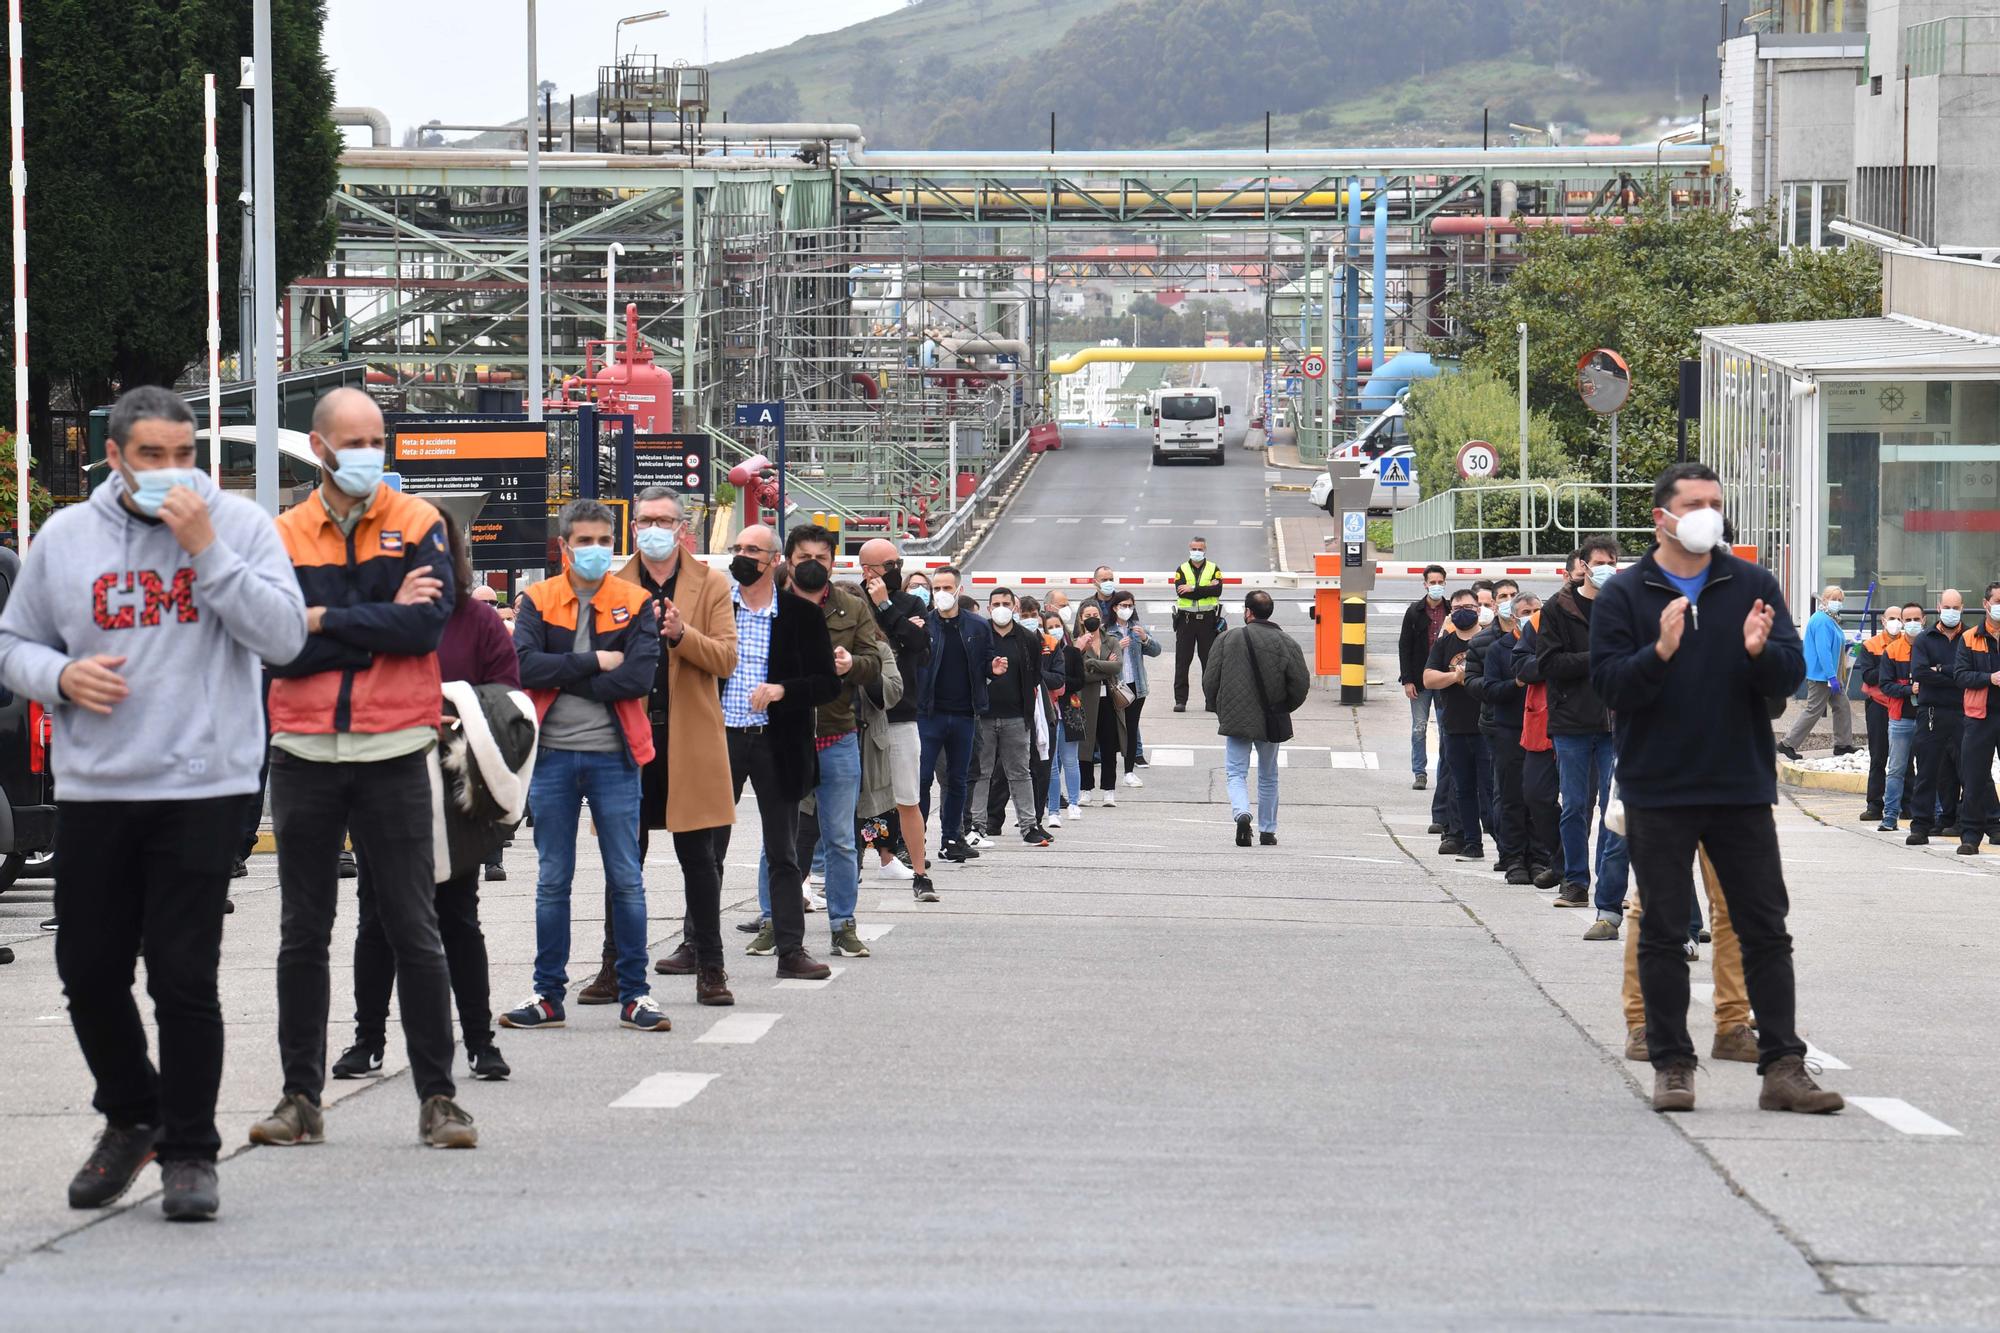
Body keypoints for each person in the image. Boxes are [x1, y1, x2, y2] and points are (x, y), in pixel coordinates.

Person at [0, 387, 307, 1220]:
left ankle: (190, 1150)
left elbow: (283, 637)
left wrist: (206, 550)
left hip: (204, 785)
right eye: (152, 457)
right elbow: (11, 642)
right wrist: (58, 676)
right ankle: (131, 1112)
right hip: (99, 785)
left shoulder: (236, 526)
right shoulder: (66, 539)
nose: (172, 473)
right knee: (88, 970)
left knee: (183, 974)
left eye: (184, 455)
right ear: (114, 457)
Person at [255, 386, 476, 1151]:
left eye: (377, 439)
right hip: (305, 751)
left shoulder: (418, 523)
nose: (368, 455)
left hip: (393, 750)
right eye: (352, 442)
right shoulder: (280, 533)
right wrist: (365, 620)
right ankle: (299, 1097)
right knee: (301, 933)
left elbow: (424, 628)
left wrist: (322, 619)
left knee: (415, 927)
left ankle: (439, 1098)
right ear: (318, 448)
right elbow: (277, 641)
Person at [1591, 460, 1840, 1116]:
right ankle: (1673, 1064)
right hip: (1659, 788)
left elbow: (1785, 682)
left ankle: (1782, 1065)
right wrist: (1661, 651)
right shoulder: (1626, 593)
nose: (1709, 513)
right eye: (1696, 502)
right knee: (1666, 929)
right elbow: (1612, 686)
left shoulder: (1750, 583)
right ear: (1662, 516)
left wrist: (1761, 650)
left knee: (1764, 927)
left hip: (1740, 786)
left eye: (1715, 502)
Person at [332, 512, 518, 1082]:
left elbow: (508, 699)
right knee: (377, 917)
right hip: (381, 777)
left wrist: (453, 708)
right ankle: (368, 1041)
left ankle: (481, 1043)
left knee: (459, 916)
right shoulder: (377, 616)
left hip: (456, 785)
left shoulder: (477, 620)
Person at [498, 501, 666, 1034]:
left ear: (614, 543)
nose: (593, 550)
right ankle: (548, 995)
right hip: (550, 756)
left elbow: (639, 678)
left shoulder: (635, 601)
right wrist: (595, 661)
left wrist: (562, 675)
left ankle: (635, 995)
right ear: (564, 546)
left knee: (626, 879)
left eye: (602, 540)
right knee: (552, 879)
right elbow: (524, 666)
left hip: (616, 758)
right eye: (583, 541)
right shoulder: (540, 598)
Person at [609, 485, 740, 1006]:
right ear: (633, 525)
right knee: (625, 858)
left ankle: (711, 966)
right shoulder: (615, 583)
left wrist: (684, 635)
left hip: (689, 736)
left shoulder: (709, 583)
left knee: (698, 859)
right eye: (646, 521)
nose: (654, 530)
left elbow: (727, 658)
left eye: (665, 521)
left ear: (682, 527)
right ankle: (612, 968)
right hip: (632, 737)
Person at [746, 524, 885, 960]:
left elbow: (874, 661)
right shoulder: (766, 606)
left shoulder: (851, 606)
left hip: (837, 734)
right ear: (787, 559)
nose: (812, 565)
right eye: (803, 557)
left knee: (841, 838)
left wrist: (851, 665)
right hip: (781, 736)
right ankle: (772, 921)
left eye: (821, 558)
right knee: (778, 837)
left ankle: (843, 926)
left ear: (833, 562)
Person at [712, 525, 838, 977]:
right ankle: (696, 942)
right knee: (708, 848)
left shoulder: (801, 616)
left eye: (752, 550)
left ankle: (791, 950)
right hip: (720, 739)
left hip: (777, 743)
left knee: (783, 851)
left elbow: (827, 683)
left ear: (774, 560)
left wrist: (783, 689)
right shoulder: (717, 609)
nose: (742, 556)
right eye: (738, 548)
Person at [1537, 534, 1629, 926]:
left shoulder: (1624, 607)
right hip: (1571, 722)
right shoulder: (1558, 609)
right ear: (1584, 566)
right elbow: (1549, 664)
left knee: (1614, 812)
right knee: (1574, 805)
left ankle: (1610, 888)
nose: (1607, 567)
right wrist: (1598, 659)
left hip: (1614, 723)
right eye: (1600, 561)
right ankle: (1575, 880)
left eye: (1613, 561)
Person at [1620, 846, 1760, 1065]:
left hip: (1727, 812)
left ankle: (1732, 1025)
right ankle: (1642, 1025)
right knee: (1653, 895)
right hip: (1664, 812)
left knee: (1733, 898)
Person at [858, 538, 936, 901]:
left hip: (902, 714)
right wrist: (901, 631)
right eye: (888, 564)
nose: (895, 569)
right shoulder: (853, 601)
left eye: (896, 563)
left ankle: (920, 871)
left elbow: (920, 645)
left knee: (908, 797)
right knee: (864, 799)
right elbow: (872, 645)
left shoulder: (909, 602)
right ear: (868, 568)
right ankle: (866, 861)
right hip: (863, 713)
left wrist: (887, 609)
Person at [1204, 590, 1310, 845]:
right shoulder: (1287, 643)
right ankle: (1267, 830)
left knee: (1236, 772)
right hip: (1271, 717)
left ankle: (1242, 812)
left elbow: (1210, 679)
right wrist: (1284, 707)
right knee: (1268, 774)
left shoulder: (1227, 639)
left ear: (1248, 612)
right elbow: (1301, 684)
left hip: (1236, 718)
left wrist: (1219, 708)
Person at [917, 565, 991, 864]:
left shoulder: (977, 626)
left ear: (959, 591)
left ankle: (951, 838)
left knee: (958, 780)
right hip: (928, 714)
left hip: (964, 715)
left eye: (948, 588)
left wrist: (993, 671)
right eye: (937, 588)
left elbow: (986, 664)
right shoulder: (923, 625)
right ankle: (913, 840)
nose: (942, 594)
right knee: (921, 780)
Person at [969, 586, 1051, 846]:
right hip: (983, 716)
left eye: (1007, 603)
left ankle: (1029, 826)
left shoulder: (1027, 638)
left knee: (1020, 772)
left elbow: (1036, 674)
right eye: (997, 604)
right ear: (988, 608)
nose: (1001, 608)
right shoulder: (979, 635)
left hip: (1016, 717)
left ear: (1014, 607)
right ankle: (976, 826)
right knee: (980, 772)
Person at [1471, 586, 1539, 884]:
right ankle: (1513, 858)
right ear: (1514, 616)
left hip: (1542, 731)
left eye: (1537, 613)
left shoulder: (1548, 646)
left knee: (1540, 797)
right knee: (1511, 797)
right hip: (1508, 731)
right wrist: (1518, 683)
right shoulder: (1498, 650)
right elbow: (1490, 690)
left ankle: (1539, 858)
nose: (1532, 618)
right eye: (1526, 613)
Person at [1423, 590, 1488, 864]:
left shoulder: (1489, 641)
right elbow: (1428, 678)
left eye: (1470, 606)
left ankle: (1505, 841)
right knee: (1462, 787)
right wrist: (1455, 676)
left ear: (1479, 609)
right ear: (1451, 612)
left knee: (1489, 788)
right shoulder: (1444, 644)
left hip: (1486, 726)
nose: (1464, 611)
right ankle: (1470, 840)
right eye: (1459, 606)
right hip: (1455, 725)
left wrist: (1466, 679)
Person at [1907, 589, 1966, 845]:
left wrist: (1941, 670)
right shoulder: (1925, 638)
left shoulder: (1971, 637)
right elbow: (1920, 673)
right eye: (1947, 606)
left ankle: (1963, 821)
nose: (1951, 611)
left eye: (1956, 606)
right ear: (1938, 607)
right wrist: (1956, 676)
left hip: (1965, 714)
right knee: (1928, 772)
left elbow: (1970, 673)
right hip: (1931, 713)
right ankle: (1921, 825)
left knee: (1969, 773)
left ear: (1962, 608)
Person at [1514, 596, 1563, 889]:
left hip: (1590, 722)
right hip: (1542, 722)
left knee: (1580, 805)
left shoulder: (1611, 611)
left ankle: (1572, 870)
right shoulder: (1539, 622)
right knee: (1536, 795)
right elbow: (1521, 667)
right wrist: (1557, 663)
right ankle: (1563, 860)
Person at [1777, 585, 1854, 759]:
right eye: (1834, 599)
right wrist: (1831, 676)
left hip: (1831, 674)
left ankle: (1843, 744)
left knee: (1842, 706)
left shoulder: (1830, 619)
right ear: (1825, 599)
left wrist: (1848, 644)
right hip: (1823, 676)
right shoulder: (1822, 620)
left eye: (1840, 600)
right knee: (1814, 710)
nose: (1837, 603)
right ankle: (1787, 744)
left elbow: (1834, 644)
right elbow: (1823, 650)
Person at [1864, 602, 1922, 832]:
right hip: (1882, 707)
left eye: (1907, 619)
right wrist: (1901, 679)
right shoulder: (1875, 646)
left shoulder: (1923, 646)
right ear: (1883, 621)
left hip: (1918, 711)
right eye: (1896, 618)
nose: (1903, 623)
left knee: (1917, 765)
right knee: (1881, 757)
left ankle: (1910, 805)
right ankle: (1877, 806)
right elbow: (1871, 677)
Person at [1398, 564, 1452, 815]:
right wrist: (1408, 680)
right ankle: (1419, 773)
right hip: (1420, 680)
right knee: (1419, 728)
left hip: (1443, 678)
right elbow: (1404, 647)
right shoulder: (1414, 611)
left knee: (1445, 728)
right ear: (1425, 584)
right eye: (1433, 582)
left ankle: (1445, 772)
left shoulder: (1452, 610)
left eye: (1440, 581)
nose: (1437, 585)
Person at [1952, 582, 2000, 856]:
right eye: (1997, 600)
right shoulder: (1969, 638)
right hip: (1979, 717)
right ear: (1985, 604)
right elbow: (1960, 676)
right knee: (1974, 778)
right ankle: (1970, 836)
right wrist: (1989, 679)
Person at [1107, 589, 1163, 787]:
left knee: (1131, 728)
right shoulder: (1108, 630)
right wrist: (1116, 647)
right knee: (1112, 729)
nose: (1127, 609)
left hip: (1136, 686)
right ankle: (1109, 771)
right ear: (1115, 608)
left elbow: (1156, 651)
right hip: (1115, 686)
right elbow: (1100, 656)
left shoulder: (1137, 628)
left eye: (1130, 606)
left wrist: (1146, 638)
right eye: (1123, 606)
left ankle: (1129, 771)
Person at [1075, 602, 1127, 805]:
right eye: (1088, 614)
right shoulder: (1076, 643)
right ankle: (1085, 789)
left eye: (1095, 614)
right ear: (1081, 619)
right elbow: (1080, 674)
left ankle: (1109, 790)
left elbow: (1117, 666)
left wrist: (1092, 664)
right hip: (1085, 699)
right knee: (1085, 746)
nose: (1092, 618)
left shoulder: (1111, 640)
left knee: (1108, 745)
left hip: (1109, 701)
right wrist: (1102, 668)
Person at [1170, 536, 1224, 712]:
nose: (1196, 552)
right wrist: (1205, 589)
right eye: (1194, 549)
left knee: (1209, 663)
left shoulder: (1213, 568)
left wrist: (1193, 589)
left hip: (1207, 621)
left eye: (1200, 549)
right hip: (1186, 621)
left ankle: (1211, 701)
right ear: (1189, 548)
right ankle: (1180, 700)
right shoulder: (1182, 569)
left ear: (1205, 550)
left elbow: (1218, 590)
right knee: (1182, 662)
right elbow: (1181, 593)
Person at [1042, 610, 1085, 827]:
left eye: (1057, 625)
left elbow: (1079, 681)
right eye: (1049, 627)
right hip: (1047, 710)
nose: (1054, 630)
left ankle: (1075, 803)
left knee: (1070, 759)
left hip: (1069, 708)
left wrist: (1060, 682)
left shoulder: (1072, 653)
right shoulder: (1040, 652)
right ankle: (1053, 809)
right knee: (1050, 764)